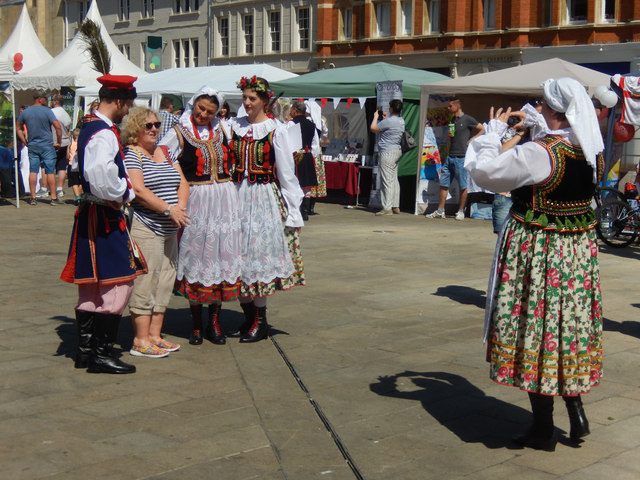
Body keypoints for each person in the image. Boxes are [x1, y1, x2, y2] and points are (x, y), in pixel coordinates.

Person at [465, 77, 605, 451]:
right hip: (574, 254)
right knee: (565, 329)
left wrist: (492, 132)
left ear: (554, 112)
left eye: (542, 106)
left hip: (538, 250)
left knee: (534, 329)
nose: (537, 109)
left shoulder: (539, 153)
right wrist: (534, 124)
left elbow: (485, 173)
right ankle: (576, 412)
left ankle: (543, 428)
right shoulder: (592, 150)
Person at [60, 74, 147, 374]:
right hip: (104, 215)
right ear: (120, 101)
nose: (128, 110)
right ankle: (100, 354)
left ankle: (85, 352)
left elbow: (76, 168)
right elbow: (100, 175)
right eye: (128, 104)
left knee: (91, 286)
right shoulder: (104, 133)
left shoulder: (89, 127)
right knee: (119, 282)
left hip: (91, 214)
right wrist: (125, 191)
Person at [160, 87, 242, 346]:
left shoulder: (224, 130)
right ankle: (196, 324)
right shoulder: (179, 132)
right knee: (197, 257)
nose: (203, 114)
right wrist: (178, 182)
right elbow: (162, 156)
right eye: (200, 109)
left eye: (209, 111)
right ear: (193, 105)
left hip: (224, 200)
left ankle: (214, 322)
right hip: (196, 199)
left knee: (219, 255)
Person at [228, 76, 305, 342]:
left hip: (262, 199)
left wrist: (293, 211)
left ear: (264, 101)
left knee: (256, 259)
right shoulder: (232, 127)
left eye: (252, 99)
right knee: (236, 258)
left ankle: (260, 322)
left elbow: (286, 173)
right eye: (245, 98)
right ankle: (248, 318)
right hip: (235, 198)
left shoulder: (276, 130)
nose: (247, 103)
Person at [122, 107, 190, 358]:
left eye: (156, 124)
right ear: (135, 129)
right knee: (145, 281)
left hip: (170, 227)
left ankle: (154, 335)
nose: (153, 129)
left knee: (164, 280)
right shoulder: (132, 154)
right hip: (146, 226)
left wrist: (180, 207)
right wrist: (168, 209)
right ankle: (140, 340)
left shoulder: (165, 151)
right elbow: (138, 190)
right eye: (147, 125)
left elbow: (182, 182)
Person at [427, 97, 484, 220]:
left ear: (457, 106)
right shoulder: (452, 120)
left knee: (463, 185)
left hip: (461, 157)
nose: (448, 108)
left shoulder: (467, 119)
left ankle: (460, 211)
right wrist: (449, 137)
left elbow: (482, 129)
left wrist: (472, 139)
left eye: (450, 106)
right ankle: (440, 210)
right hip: (450, 156)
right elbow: (451, 137)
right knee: (443, 184)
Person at [16, 90, 63, 206]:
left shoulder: (26, 112)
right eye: (46, 99)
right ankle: (53, 198)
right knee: (50, 171)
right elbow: (57, 126)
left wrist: (24, 140)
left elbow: (18, 127)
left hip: (33, 145)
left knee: (33, 171)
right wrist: (58, 141)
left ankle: (33, 197)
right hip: (47, 145)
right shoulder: (47, 111)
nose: (47, 101)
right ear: (41, 99)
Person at [370, 99, 405, 216]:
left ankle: (387, 208)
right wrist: (385, 119)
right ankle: (395, 205)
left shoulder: (389, 121)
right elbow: (389, 128)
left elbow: (373, 128)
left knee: (387, 181)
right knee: (394, 179)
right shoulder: (401, 120)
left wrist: (375, 117)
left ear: (391, 109)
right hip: (397, 150)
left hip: (387, 152)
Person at [288, 100, 319, 221]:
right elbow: (315, 144)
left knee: (295, 183)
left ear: (294, 110)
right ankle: (304, 212)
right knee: (306, 186)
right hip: (307, 155)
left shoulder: (291, 124)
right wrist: (312, 156)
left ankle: (295, 210)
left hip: (294, 156)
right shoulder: (311, 125)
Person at [50, 94, 72, 199]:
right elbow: (68, 128)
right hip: (65, 142)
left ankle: (48, 188)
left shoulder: (51, 113)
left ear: (54, 102)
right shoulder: (66, 114)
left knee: (49, 167)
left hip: (53, 142)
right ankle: (59, 189)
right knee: (62, 167)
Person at [66, 128, 83, 205]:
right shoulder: (82, 145)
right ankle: (80, 195)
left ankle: (78, 197)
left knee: (74, 182)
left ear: (73, 136)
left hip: (72, 164)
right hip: (81, 165)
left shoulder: (71, 145)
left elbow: (67, 156)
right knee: (81, 181)